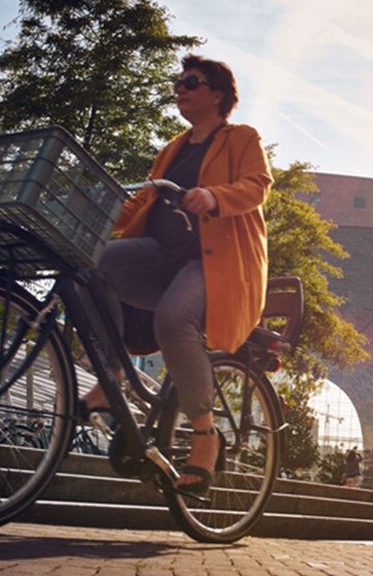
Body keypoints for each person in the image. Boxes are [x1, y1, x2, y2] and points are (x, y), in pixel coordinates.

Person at [80, 54, 273, 496]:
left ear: (218, 94)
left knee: (173, 320)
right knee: (95, 266)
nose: (180, 88)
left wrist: (214, 196)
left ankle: (205, 435)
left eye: (191, 81)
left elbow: (257, 185)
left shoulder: (242, 137)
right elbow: (142, 202)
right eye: (178, 82)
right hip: (162, 258)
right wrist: (92, 220)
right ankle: (114, 376)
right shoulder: (172, 148)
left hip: (215, 264)